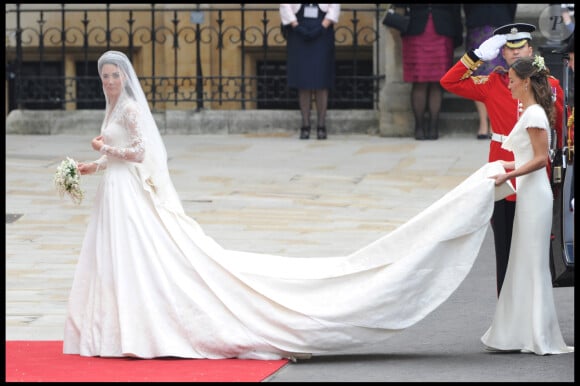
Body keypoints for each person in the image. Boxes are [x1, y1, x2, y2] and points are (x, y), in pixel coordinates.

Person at [62, 50, 565, 361]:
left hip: (518, 183)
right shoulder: (501, 86)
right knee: (511, 258)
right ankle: (516, 323)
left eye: (514, 62)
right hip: (505, 180)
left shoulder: (540, 100)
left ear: (526, 67)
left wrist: (506, 170)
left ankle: (528, 326)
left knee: (522, 259)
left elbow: (545, 149)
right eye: (103, 75)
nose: (107, 82)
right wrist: (476, 57)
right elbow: (455, 80)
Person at [440, 23, 565, 297]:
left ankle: (532, 310)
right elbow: (449, 82)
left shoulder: (553, 86)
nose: (515, 53)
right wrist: (477, 56)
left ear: (531, 49)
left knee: (537, 252)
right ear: (502, 54)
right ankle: (507, 313)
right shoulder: (493, 84)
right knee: (505, 251)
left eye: (520, 47)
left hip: (536, 174)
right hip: (504, 175)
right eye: (509, 48)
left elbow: (561, 132)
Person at [483, 56, 573, 355]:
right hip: (530, 195)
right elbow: (527, 157)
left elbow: (539, 160)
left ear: (525, 82)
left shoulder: (534, 114)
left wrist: (508, 174)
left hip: (535, 196)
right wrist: (504, 164)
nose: (507, 83)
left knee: (534, 264)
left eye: (511, 79)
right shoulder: (533, 112)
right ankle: (524, 331)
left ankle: (538, 334)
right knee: (524, 261)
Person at [396, 4, 463, 140]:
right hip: (416, 29)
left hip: (443, 30)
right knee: (419, 80)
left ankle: (434, 126)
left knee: (437, 82)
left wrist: (457, 33)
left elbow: (455, 9)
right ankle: (419, 127)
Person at [280, 4, 340, 140]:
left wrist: (323, 26)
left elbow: (335, 6)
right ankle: (305, 124)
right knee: (303, 80)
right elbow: (285, 5)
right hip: (298, 30)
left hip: (322, 31)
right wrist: (295, 25)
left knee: (321, 79)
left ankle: (321, 125)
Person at [463, 5, 517, 140]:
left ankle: (494, 122)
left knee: (497, 75)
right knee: (477, 74)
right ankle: (483, 122)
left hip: (500, 22)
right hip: (477, 22)